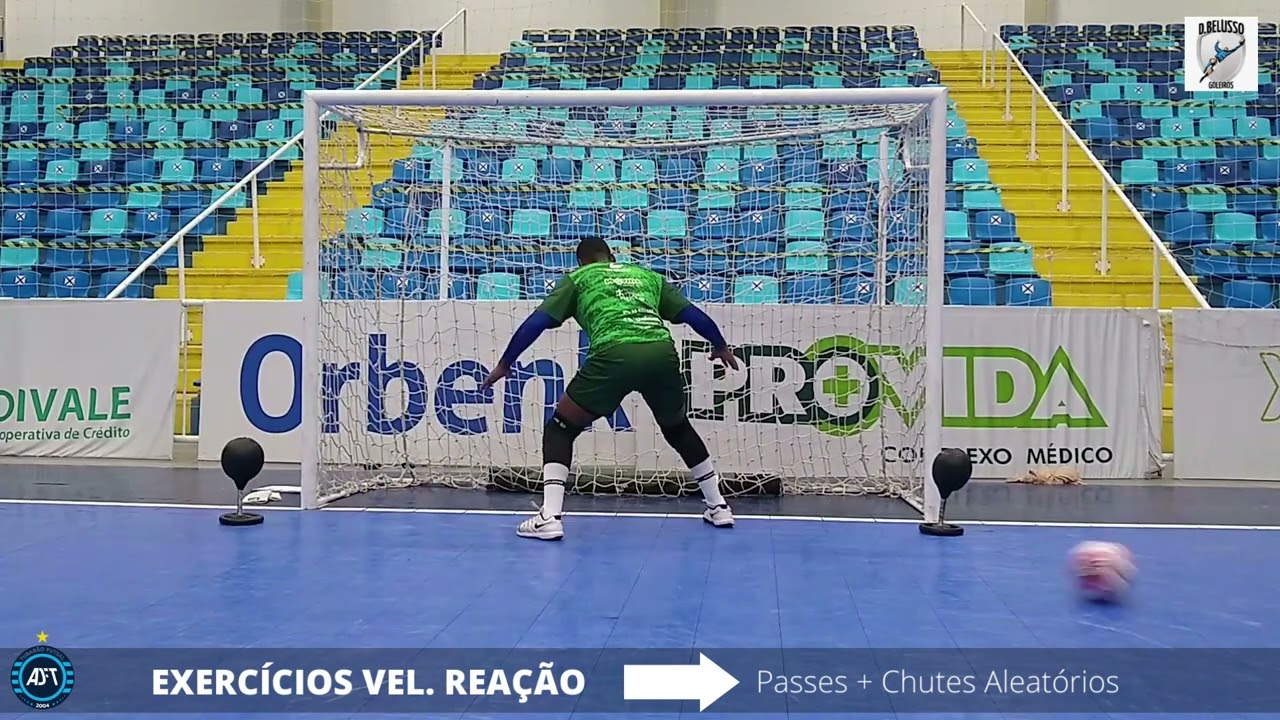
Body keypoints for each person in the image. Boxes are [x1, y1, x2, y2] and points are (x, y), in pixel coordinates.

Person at [481, 238, 739, 541]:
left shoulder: (579, 279)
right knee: (677, 428)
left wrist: (505, 363)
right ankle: (719, 506)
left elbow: (536, 322)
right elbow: (692, 315)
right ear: (613, 257)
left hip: (613, 355)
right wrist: (720, 344)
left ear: (580, 262)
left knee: (560, 428)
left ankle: (549, 517)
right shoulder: (647, 277)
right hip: (661, 352)